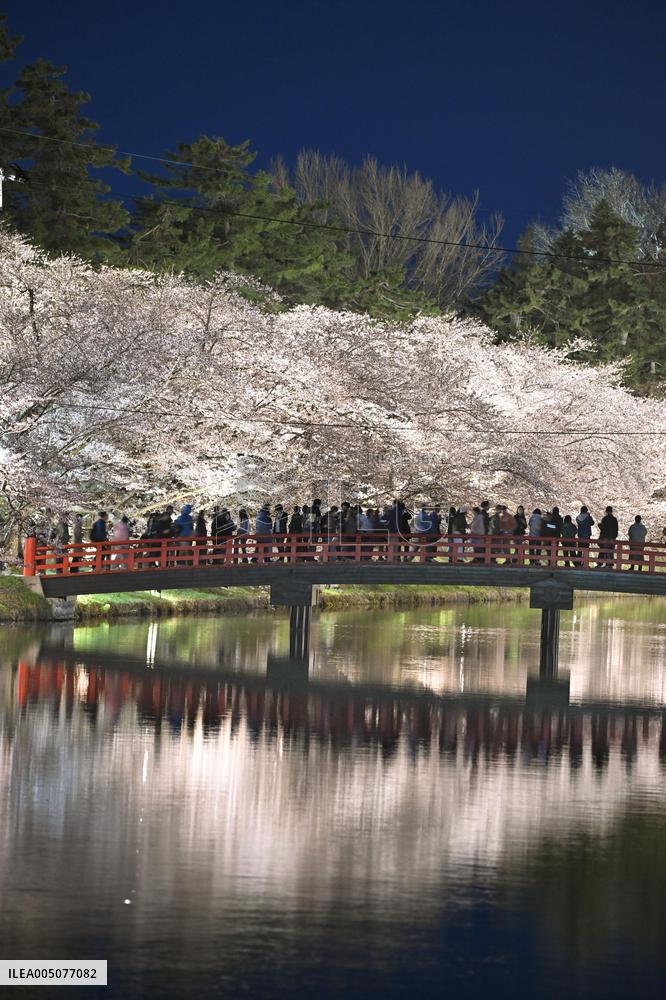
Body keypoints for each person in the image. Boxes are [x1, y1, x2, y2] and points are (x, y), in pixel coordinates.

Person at [598, 505, 619, 570]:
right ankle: (609, 564)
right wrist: (614, 536)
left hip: (605, 537)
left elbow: (603, 528)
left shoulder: (604, 519)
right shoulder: (614, 519)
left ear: (606, 511)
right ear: (612, 511)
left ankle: (600, 563)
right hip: (612, 537)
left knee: (603, 550)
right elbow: (616, 529)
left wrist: (600, 526)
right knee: (611, 551)